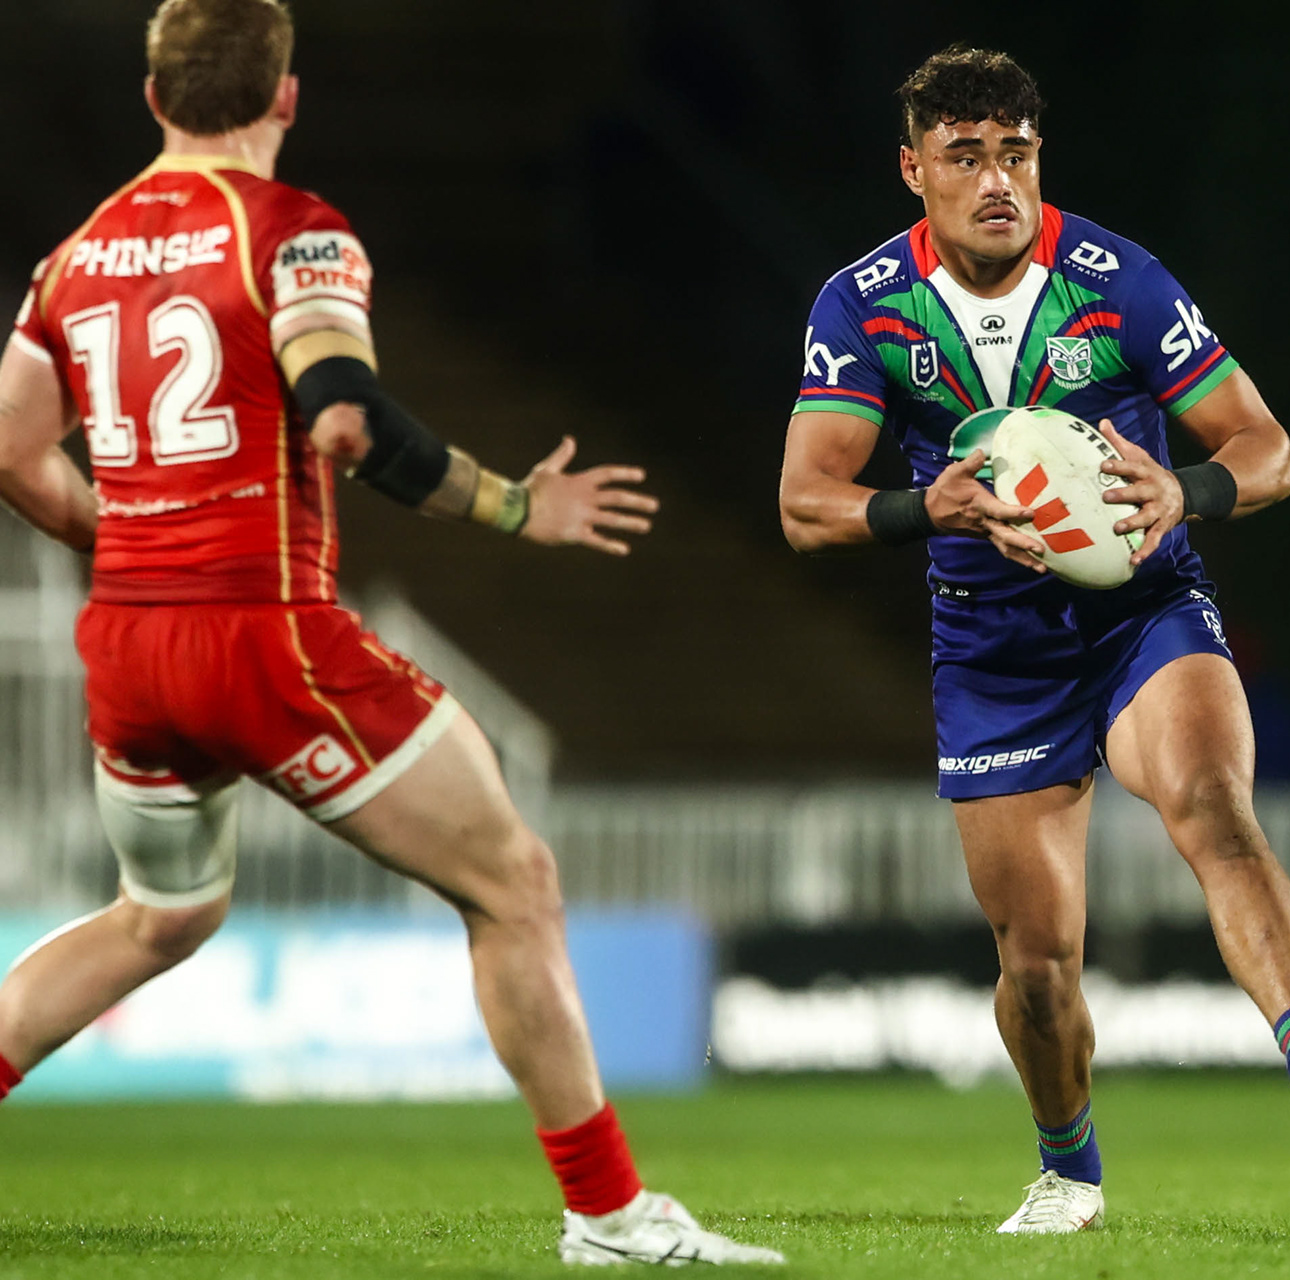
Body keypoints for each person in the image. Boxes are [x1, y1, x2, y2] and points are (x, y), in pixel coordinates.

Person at [0, 0, 779, 1266]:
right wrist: (517, 504)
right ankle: (608, 1214)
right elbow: (345, 407)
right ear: (286, 97)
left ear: (152, 99)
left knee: (159, 913)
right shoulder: (291, 228)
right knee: (513, 882)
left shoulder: (72, 258)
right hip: (263, 634)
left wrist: (128, 535)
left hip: (128, 647)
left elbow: (12, 447)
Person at [779, 44, 1290, 1234]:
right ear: (914, 170)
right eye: (966, 156)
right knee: (1036, 964)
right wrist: (928, 508)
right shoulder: (864, 305)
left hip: (1141, 609)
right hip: (994, 649)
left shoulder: (1118, 283)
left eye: (1015, 153)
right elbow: (807, 504)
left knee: (1212, 804)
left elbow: (1268, 449)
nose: (996, 180)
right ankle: (1068, 1168)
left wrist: (1187, 490)